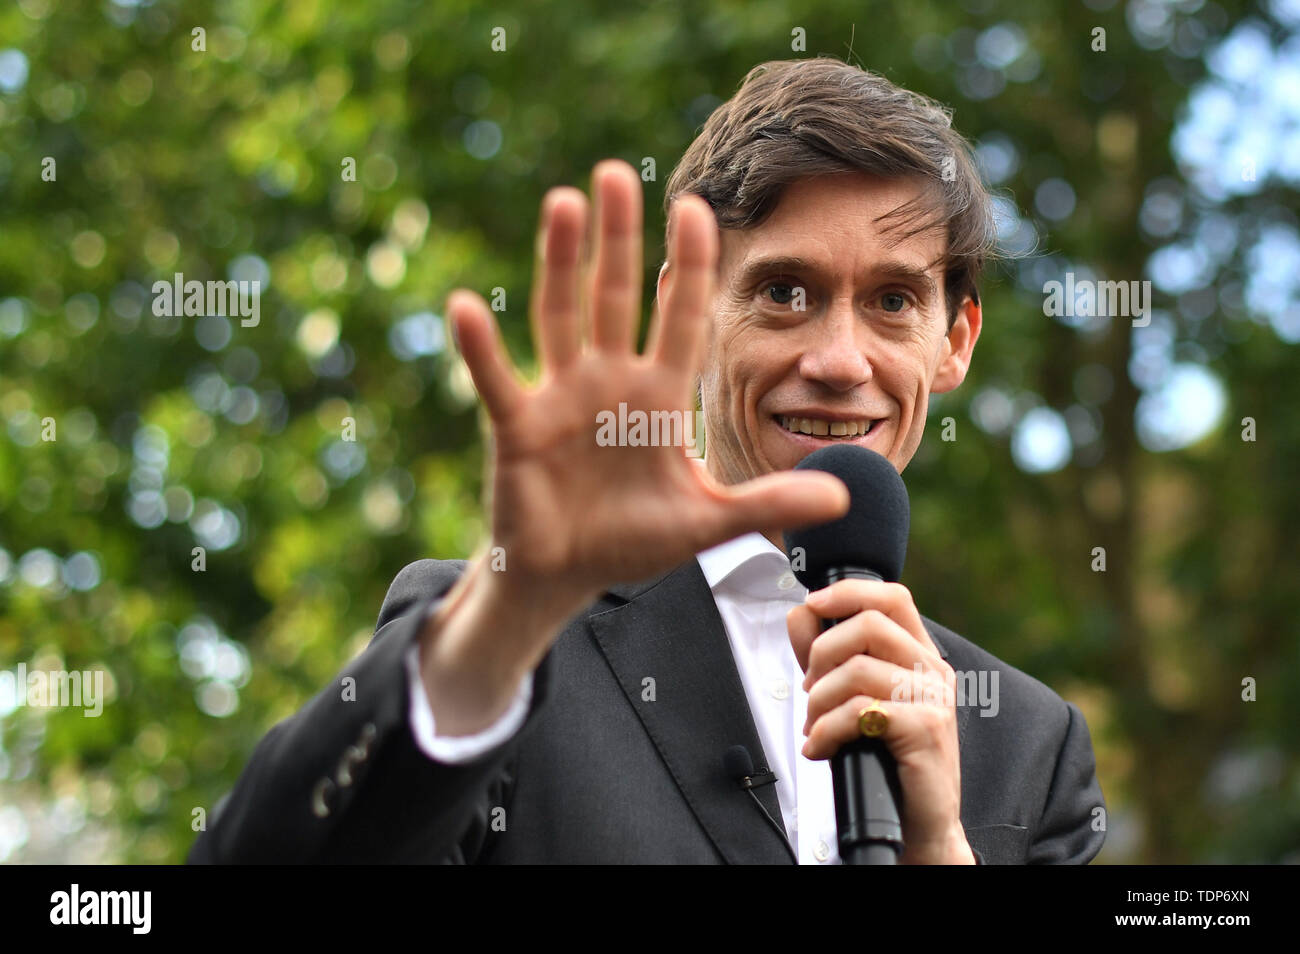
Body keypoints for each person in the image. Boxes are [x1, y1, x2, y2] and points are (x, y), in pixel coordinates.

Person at [189, 57, 1106, 865]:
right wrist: (510, 615)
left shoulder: (1031, 745)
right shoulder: (496, 643)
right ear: (691, 308)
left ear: (956, 341)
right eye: (786, 292)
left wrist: (940, 853)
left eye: (894, 301)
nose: (838, 360)